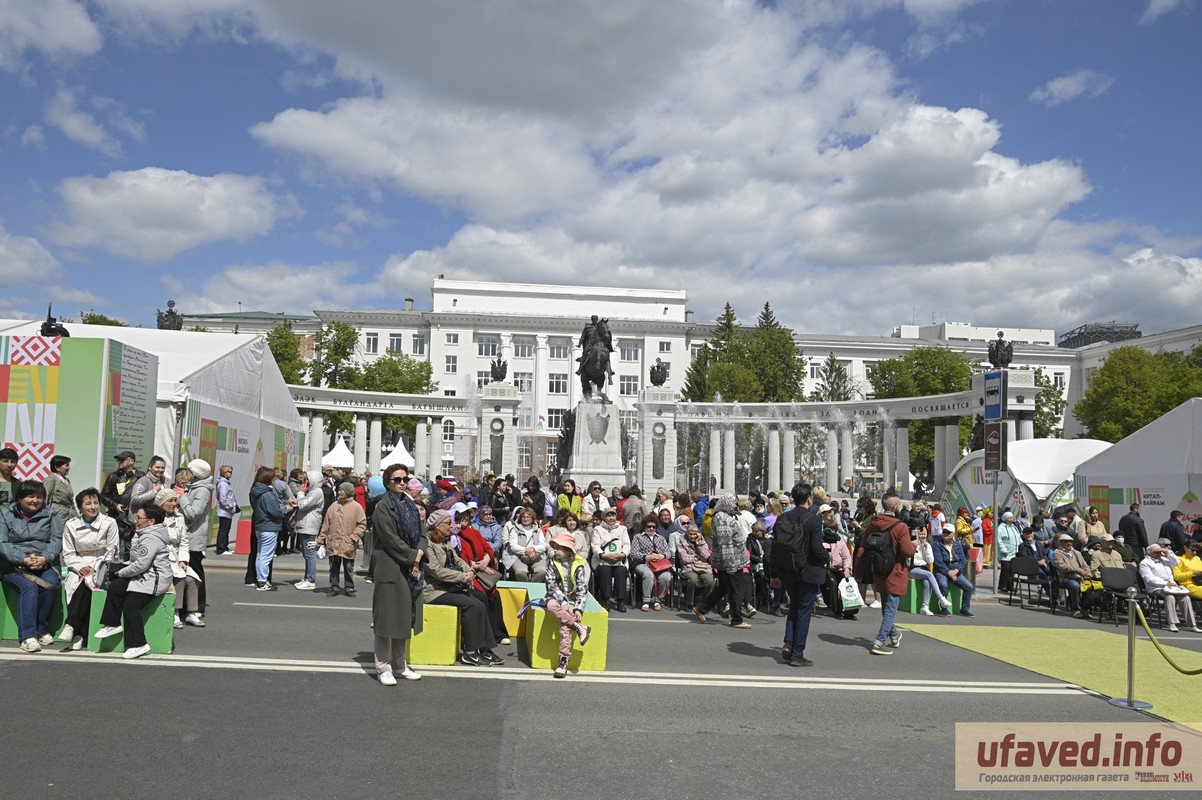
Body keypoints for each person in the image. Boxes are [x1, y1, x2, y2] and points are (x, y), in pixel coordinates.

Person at [423, 509, 504, 667]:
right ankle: (470, 652)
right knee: (472, 605)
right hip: (435, 590)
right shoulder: (428, 543)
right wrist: (462, 577)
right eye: (448, 523)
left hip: (451, 585)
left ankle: (484, 648)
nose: (451, 526)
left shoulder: (445, 541)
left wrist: (469, 571)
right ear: (437, 526)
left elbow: (458, 560)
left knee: (480, 597)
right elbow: (436, 571)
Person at [93, 503, 172, 660]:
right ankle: (112, 624)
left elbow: (142, 565)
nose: (135, 521)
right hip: (144, 576)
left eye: (139, 518)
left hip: (153, 580)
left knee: (131, 606)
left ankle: (138, 644)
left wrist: (122, 572)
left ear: (151, 521)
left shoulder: (151, 538)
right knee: (116, 587)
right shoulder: (146, 534)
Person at [371, 465, 426, 685]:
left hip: (410, 566)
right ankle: (383, 667)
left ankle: (400, 664)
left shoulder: (410, 504)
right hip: (391, 566)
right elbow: (390, 539)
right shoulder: (383, 507)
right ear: (388, 482)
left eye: (405, 479)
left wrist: (419, 553)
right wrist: (414, 556)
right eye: (397, 480)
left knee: (404, 617)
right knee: (386, 619)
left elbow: (423, 532)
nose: (402, 483)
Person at [0, 480, 64, 652]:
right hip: (12, 564)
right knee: (29, 587)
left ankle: (42, 629)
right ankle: (28, 636)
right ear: (20, 498)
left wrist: (45, 558)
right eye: (30, 496)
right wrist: (22, 559)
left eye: (39, 497)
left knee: (51, 584)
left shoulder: (52, 514)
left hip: (44, 562)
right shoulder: (4, 514)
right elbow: (2, 542)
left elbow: (56, 540)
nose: (35, 500)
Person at [766, 483, 827, 666]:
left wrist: (775, 573)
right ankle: (797, 653)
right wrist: (827, 557)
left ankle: (788, 643)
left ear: (793, 498)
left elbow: (777, 548)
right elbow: (817, 549)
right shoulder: (814, 520)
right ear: (809, 499)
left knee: (793, 607)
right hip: (808, 570)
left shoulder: (783, 518)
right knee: (803, 611)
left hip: (788, 569)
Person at [58, 487, 120, 650]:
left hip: (102, 564)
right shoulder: (71, 525)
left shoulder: (109, 523)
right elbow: (69, 553)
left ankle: (72, 626)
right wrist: (80, 567)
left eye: (96, 503)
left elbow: (112, 551)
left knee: (89, 583)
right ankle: (79, 634)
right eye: (88, 504)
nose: (93, 507)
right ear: (80, 507)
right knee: (79, 583)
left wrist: (94, 568)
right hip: (78, 563)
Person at [856, 492, 917, 656]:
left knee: (886, 607)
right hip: (895, 571)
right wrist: (915, 545)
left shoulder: (873, 524)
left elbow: (863, 547)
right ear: (896, 507)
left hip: (878, 571)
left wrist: (858, 569)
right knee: (890, 610)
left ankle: (894, 636)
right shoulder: (900, 526)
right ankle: (879, 641)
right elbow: (906, 551)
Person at [694, 494, 753, 628]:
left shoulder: (725, 516)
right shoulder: (722, 518)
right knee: (736, 590)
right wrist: (731, 567)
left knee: (724, 588)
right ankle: (737, 619)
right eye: (734, 503)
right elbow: (725, 544)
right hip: (731, 563)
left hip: (729, 561)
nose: (736, 505)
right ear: (727, 504)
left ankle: (702, 608)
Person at [455, 507, 508, 645]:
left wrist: (485, 561)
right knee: (481, 595)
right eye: (461, 515)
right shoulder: (454, 535)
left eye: (466, 514)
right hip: (467, 572)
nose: (464, 517)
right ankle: (484, 636)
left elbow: (488, 548)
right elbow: (458, 557)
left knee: (494, 594)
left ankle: (499, 633)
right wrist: (476, 565)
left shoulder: (475, 533)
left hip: (482, 569)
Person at [545, 531, 593, 678]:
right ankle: (579, 627)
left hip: (572, 599)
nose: (555, 550)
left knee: (565, 626)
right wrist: (562, 600)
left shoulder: (578, 564)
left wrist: (579, 607)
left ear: (567, 550)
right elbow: (550, 584)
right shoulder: (553, 562)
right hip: (556, 597)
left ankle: (563, 660)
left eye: (558, 548)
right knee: (551, 606)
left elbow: (582, 588)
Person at [156, 488, 202, 628]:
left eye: (175, 500)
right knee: (180, 577)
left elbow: (184, 541)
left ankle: (191, 612)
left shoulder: (179, 517)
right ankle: (175, 612)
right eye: (170, 500)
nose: (174, 503)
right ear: (161, 503)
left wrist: (183, 560)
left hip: (176, 558)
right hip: (163, 559)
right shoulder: (156, 518)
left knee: (192, 578)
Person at [317, 482, 367, 597]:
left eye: (341, 490)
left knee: (348, 567)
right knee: (334, 567)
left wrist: (353, 537)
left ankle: (349, 587)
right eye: (338, 490)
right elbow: (326, 525)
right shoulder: (333, 506)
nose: (339, 492)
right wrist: (320, 540)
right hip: (334, 542)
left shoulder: (356, 507)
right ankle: (334, 587)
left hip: (348, 543)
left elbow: (362, 525)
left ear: (348, 492)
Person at [179, 459, 214, 618]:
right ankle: (188, 606)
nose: (185, 474)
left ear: (196, 475)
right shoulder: (194, 488)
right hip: (188, 536)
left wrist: (183, 497)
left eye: (188, 471)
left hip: (193, 539)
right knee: (187, 572)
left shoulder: (202, 490)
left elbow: (193, 513)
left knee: (195, 573)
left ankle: (197, 607)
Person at [1140, 544, 1200, 633]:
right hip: (1156, 587)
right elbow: (1149, 579)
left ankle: (1192, 625)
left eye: (1160, 552)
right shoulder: (1144, 563)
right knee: (1170, 597)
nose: (1158, 554)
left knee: (1185, 598)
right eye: (1155, 552)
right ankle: (1172, 623)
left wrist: (1167, 551)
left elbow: (1176, 562)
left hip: (1172, 587)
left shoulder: (1164, 560)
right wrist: (1166, 583)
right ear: (1149, 553)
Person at [248, 466, 284, 591]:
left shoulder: (255, 491)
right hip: (269, 526)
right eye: (273, 477)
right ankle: (263, 581)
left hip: (260, 525)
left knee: (260, 554)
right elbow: (276, 512)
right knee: (266, 555)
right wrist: (282, 508)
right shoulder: (267, 494)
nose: (275, 480)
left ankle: (260, 579)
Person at [819, 506, 856, 619]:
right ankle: (837, 610)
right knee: (832, 583)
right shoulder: (821, 542)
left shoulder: (840, 543)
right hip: (828, 569)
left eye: (833, 530)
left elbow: (846, 557)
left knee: (846, 584)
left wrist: (846, 569)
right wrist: (828, 566)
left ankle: (850, 611)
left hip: (840, 568)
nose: (831, 532)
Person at [591, 506, 630, 612]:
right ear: (604, 518)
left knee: (621, 571)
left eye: (613, 515)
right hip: (602, 559)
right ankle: (606, 600)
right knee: (605, 570)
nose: (611, 518)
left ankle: (621, 601)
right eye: (608, 516)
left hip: (619, 559)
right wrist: (603, 555)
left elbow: (627, 544)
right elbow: (595, 545)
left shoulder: (622, 529)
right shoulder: (598, 529)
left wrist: (622, 555)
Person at [932, 524, 976, 618]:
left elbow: (963, 561)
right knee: (943, 584)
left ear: (953, 534)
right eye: (944, 532)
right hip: (942, 571)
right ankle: (944, 609)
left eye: (948, 532)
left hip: (955, 571)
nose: (945, 534)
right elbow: (938, 562)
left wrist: (956, 571)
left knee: (969, 587)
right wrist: (949, 573)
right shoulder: (936, 544)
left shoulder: (957, 544)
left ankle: (964, 609)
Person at [629, 514, 671, 612]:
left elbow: (668, 553)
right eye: (649, 526)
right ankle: (646, 601)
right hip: (642, 563)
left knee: (666, 576)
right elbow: (633, 553)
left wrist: (662, 556)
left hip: (659, 564)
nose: (651, 528)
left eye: (653, 526)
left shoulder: (661, 538)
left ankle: (658, 600)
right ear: (645, 527)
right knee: (648, 574)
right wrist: (646, 557)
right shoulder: (638, 537)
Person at [292, 470, 325, 590]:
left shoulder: (317, 492)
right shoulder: (312, 491)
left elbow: (304, 505)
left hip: (309, 526)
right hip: (305, 525)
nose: (304, 482)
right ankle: (307, 577)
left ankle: (310, 579)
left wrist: (300, 494)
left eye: (307, 480)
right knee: (306, 554)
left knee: (310, 554)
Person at [909, 527, 951, 616]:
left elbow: (930, 561)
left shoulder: (928, 545)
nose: (922, 536)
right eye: (920, 534)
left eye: (924, 534)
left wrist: (926, 548)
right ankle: (941, 598)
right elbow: (909, 561)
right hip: (913, 569)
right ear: (916, 534)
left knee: (927, 582)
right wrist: (915, 547)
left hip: (924, 569)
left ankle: (924, 607)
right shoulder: (912, 544)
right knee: (929, 574)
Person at [1050, 533, 1091, 617]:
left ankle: (1084, 608)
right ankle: (1076, 609)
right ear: (1061, 542)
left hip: (1080, 576)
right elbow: (1063, 567)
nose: (1069, 543)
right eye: (1066, 542)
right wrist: (1079, 570)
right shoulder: (1057, 553)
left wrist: (1088, 573)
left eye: (1070, 542)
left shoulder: (1077, 553)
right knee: (1075, 585)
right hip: (1065, 577)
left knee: (1091, 585)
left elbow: (1085, 565)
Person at [675, 521, 713, 610]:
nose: (692, 536)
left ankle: (705, 603)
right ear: (687, 533)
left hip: (702, 567)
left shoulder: (701, 541)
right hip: (688, 568)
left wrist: (698, 544)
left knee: (710, 580)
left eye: (694, 534)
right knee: (693, 579)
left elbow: (706, 556)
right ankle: (690, 602)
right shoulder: (681, 541)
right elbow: (685, 559)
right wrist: (698, 557)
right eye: (690, 534)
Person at [502, 506, 547, 581]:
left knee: (542, 571)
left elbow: (543, 545)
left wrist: (533, 549)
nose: (525, 519)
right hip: (517, 556)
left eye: (528, 517)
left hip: (535, 555)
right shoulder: (514, 530)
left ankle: (532, 589)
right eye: (523, 517)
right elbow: (513, 546)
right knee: (521, 572)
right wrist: (526, 551)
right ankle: (524, 589)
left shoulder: (538, 530)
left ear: (532, 518)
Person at [128, 456, 166, 528]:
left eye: (162, 468)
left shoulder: (162, 481)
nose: (160, 470)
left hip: (154, 523)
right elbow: (134, 500)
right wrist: (154, 492)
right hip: (141, 524)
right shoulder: (143, 481)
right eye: (157, 467)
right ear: (150, 467)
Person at [43, 455, 78, 524]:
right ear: (57, 467)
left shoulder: (67, 480)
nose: (69, 468)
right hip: (58, 516)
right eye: (67, 465)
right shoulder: (51, 479)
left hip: (70, 515)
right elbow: (45, 499)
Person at [214, 465, 239, 555]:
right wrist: (230, 507)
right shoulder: (223, 484)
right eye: (230, 472)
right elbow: (223, 499)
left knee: (226, 529)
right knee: (223, 529)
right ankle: (221, 549)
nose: (231, 474)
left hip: (226, 511)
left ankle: (224, 546)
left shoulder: (225, 483)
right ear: (225, 473)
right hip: (225, 510)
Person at [995, 511, 1022, 593]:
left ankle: (1010, 586)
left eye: (1012, 517)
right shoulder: (1000, 528)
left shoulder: (1014, 527)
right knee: (1005, 568)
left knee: (1011, 570)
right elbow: (998, 540)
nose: (1012, 519)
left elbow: (1018, 537)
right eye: (1010, 518)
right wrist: (1003, 549)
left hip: (1013, 552)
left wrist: (1020, 545)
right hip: (1005, 552)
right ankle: (1002, 585)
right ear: (1005, 519)